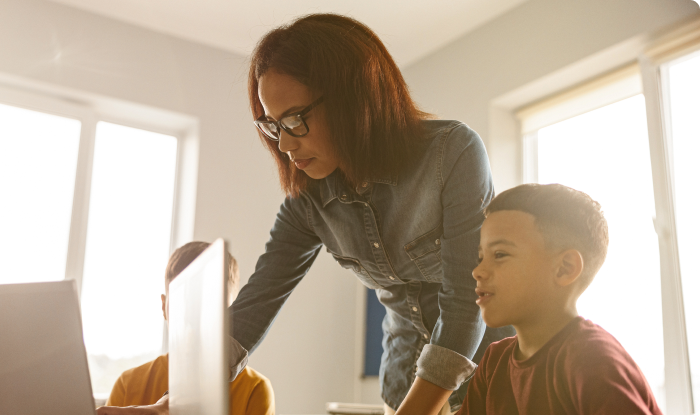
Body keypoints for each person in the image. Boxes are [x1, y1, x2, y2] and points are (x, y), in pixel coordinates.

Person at [102, 13, 512, 415]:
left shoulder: (452, 153)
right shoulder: (308, 201)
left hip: (491, 380)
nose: (283, 144)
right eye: (272, 125)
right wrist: (174, 406)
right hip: (404, 382)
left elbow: (465, 302)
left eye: (295, 120)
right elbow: (252, 308)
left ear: (356, 98)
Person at [458, 184, 662, 414]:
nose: (478, 271)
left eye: (500, 254)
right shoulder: (494, 363)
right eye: (480, 256)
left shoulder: (593, 361)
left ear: (565, 268)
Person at [96, 242, 275, 415]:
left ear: (234, 313)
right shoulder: (128, 384)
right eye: (183, 306)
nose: (193, 321)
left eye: (210, 305)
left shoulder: (255, 389)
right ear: (163, 307)